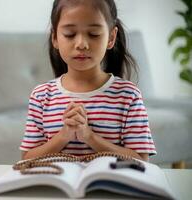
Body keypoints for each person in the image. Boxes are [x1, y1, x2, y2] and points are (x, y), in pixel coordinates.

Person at [20, 0, 156, 162]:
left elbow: (141, 160)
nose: (81, 44)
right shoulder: (41, 96)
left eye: (93, 34)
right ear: (55, 38)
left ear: (111, 38)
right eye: (70, 34)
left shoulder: (128, 96)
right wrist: (64, 135)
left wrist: (89, 136)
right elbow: (27, 159)